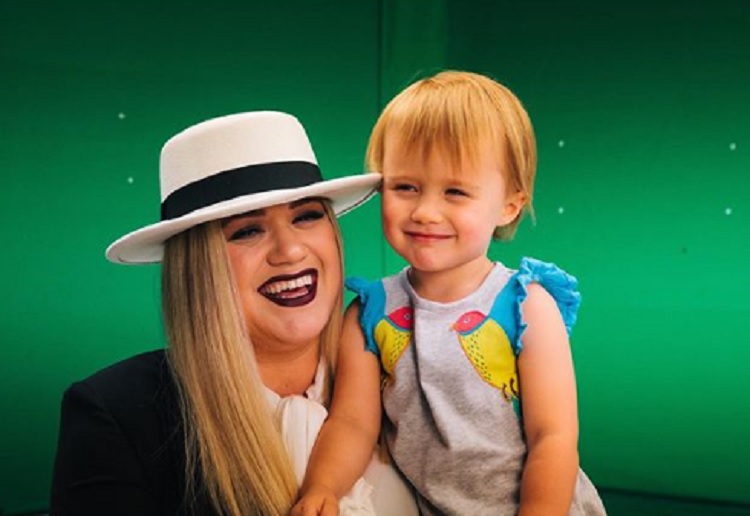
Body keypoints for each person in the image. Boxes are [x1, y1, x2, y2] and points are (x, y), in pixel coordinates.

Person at [50, 111, 419, 516]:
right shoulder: (116, 415)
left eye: (306, 216)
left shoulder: (407, 371)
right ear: (196, 267)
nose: (290, 251)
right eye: (247, 231)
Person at [293, 71, 607, 515]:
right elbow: (353, 423)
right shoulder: (370, 313)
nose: (425, 211)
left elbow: (552, 437)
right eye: (405, 187)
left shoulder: (525, 305)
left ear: (509, 206)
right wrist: (322, 488)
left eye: (455, 192)